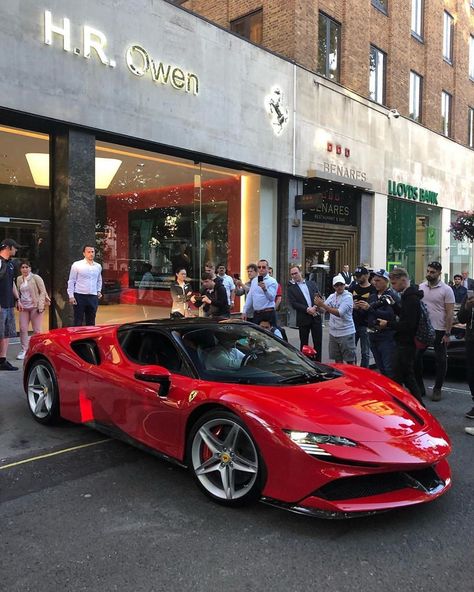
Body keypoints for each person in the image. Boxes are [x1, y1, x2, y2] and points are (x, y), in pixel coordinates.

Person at [377, 267, 424, 405]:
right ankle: (415, 405)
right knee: (404, 376)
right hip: (405, 342)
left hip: (406, 343)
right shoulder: (408, 296)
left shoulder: (411, 298)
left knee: (401, 376)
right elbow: (404, 316)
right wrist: (393, 305)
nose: (393, 286)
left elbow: (408, 325)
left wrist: (387, 324)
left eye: (394, 283)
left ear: (403, 280)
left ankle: (414, 406)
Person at [415, 261, 455, 401]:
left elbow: (450, 313)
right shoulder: (421, 287)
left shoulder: (446, 290)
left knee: (441, 360)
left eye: (432, 272)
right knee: (416, 357)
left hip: (439, 329)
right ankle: (419, 387)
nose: (429, 274)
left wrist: (448, 333)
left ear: (439, 273)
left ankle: (437, 389)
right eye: (428, 271)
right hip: (423, 329)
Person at [314, 274, 356, 364]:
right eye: (337, 285)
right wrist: (317, 304)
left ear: (345, 285)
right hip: (333, 333)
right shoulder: (332, 296)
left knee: (349, 361)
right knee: (337, 360)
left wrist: (322, 304)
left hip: (346, 332)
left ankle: (351, 377)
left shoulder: (348, 297)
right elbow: (323, 311)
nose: (339, 287)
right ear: (334, 286)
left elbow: (339, 313)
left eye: (341, 284)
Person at [365, 269, 399, 379]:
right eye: (374, 280)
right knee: (381, 367)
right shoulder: (373, 296)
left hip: (386, 337)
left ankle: (396, 393)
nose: (375, 282)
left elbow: (390, 315)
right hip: (373, 335)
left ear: (386, 281)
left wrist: (370, 308)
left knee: (389, 368)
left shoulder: (391, 295)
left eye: (378, 280)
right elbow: (368, 315)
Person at [287, 265, 322, 360]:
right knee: (304, 344)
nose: (294, 276)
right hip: (303, 318)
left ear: (301, 272)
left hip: (315, 316)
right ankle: (306, 364)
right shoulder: (291, 289)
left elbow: (318, 297)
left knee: (318, 342)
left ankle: (319, 363)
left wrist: (315, 307)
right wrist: (307, 309)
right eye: (292, 274)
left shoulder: (312, 284)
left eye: (296, 273)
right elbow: (294, 304)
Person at [15, 260, 49, 360]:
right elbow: (18, 292)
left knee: (37, 330)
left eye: (27, 267)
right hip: (24, 307)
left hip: (35, 306)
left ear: (30, 268)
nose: (25, 269)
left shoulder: (36, 278)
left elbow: (43, 292)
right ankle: (24, 349)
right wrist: (18, 302)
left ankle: (38, 349)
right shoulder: (19, 279)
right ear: (20, 269)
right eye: (23, 267)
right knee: (22, 328)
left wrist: (41, 306)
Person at [67, 244, 103, 326]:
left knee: (91, 321)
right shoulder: (77, 265)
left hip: (93, 297)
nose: (91, 254)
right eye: (89, 252)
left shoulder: (98, 266)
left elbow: (99, 280)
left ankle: (89, 338)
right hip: (79, 296)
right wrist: (71, 296)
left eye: (92, 252)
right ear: (84, 253)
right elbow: (71, 281)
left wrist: (98, 290)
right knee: (78, 320)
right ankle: (77, 338)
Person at [348, 266, 376, 368]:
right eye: (356, 276)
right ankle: (353, 370)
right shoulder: (353, 287)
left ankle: (364, 372)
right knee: (351, 350)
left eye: (360, 276)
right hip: (353, 323)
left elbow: (373, 306)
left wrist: (366, 307)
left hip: (365, 324)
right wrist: (352, 306)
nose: (357, 278)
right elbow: (346, 299)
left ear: (366, 276)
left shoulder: (373, 289)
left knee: (365, 351)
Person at [0, 238, 21, 371]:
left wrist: (18, 299)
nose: (16, 249)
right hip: (1, 305)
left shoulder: (11, 264)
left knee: (6, 333)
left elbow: (12, 282)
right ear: (8, 247)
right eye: (14, 247)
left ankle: (2, 360)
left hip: (8, 304)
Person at [242, 259, 278, 325]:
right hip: (257, 313)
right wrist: (244, 311)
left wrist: (265, 289)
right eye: (259, 267)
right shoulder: (254, 281)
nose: (261, 269)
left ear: (267, 268)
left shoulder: (272, 281)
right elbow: (250, 297)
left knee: (269, 334)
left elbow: (272, 298)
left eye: (263, 267)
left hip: (268, 312)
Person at [457, 293, 474, 420]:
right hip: (471, 340)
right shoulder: (470, 296)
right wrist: (468, 306)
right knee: (471, 374)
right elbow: (461, 318)